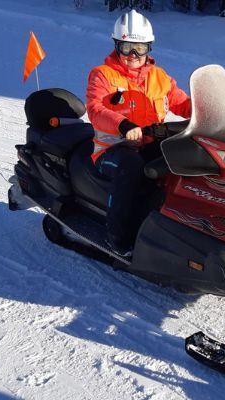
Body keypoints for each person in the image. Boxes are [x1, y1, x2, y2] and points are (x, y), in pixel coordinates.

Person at [86, 9, 191, 255]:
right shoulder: (103, 75)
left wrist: (211, 109)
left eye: (139, 48)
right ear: (117, 46)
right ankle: (117, 238)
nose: (133, 55)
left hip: (149, 143)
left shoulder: (159, 77)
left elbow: (183, 103)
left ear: (148, 48)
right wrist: (123, 124)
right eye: (126, 48)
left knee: (183, 158)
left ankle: (176, 227)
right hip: (111, 149)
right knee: (131, 167)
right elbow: (95, 109)